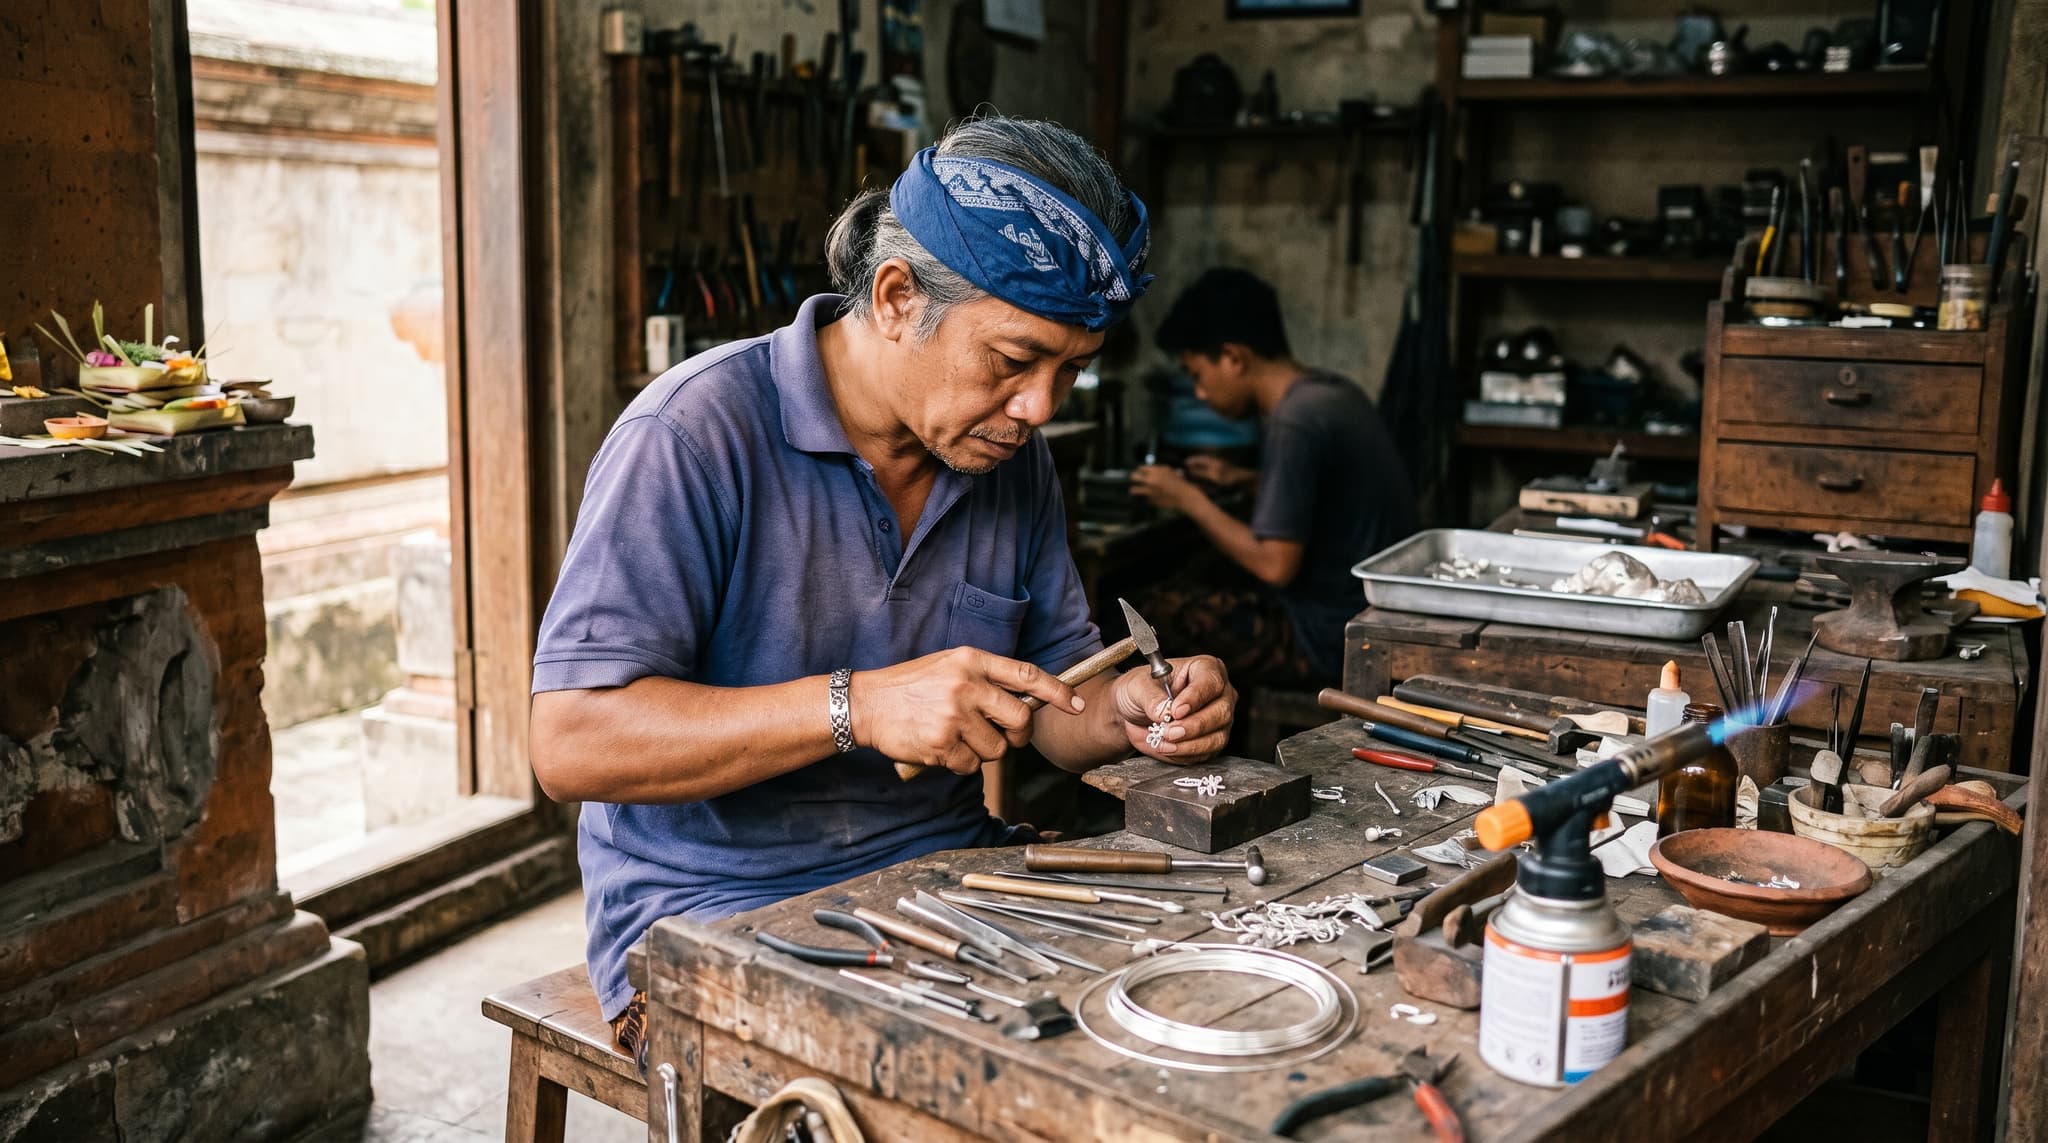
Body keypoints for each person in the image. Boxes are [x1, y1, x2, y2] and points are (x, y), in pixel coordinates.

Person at [528, 117, 1237, 1059]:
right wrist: (855, 707)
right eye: (1014, 360)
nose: (1041, 408)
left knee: (1169, 1024)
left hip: (950, 878)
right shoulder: (693, 434)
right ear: (898, 296)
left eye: (1071, 371)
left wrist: (1130, 710)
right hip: (712, 908)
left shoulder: (1008, 458)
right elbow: (571, 742)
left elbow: (1057, 700)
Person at [1129, 267, 1417, 689]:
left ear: (1232, 357)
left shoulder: (1294, 422)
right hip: (1367, 614)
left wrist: (1188, 498)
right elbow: (1331, 498)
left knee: (1156, 609)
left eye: (1197, 375)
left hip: (1330, 635)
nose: (1201, 394)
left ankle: (1188, 732)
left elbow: (1274, 566)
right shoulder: (1334, 394)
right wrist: (1242, 479)